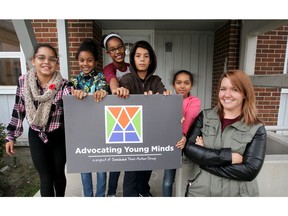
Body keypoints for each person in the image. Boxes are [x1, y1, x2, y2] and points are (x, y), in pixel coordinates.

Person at [183, 70, 266, 197]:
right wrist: (229, 157)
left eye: (234, 90)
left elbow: (250, 171)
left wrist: (204, 158)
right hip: (201, 193)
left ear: (245, 94)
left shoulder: (256, 128)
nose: (227, 95)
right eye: (223, 89)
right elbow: (188, 149)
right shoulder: (205, 117)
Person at [5, 43, 71, 197]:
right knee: (46, 177)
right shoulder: (23, 81)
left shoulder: (64, 85)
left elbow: (74, 103)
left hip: (58, 136)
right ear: (33, 60)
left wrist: (79, 95)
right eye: (41, 58)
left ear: (56, 63)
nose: (46, 62)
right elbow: (18, 108)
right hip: (36, 135)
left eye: (52, 59)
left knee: (59, 176)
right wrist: (11, 136)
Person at [119, 40, 170, 197]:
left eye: (146, 56)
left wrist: (164, 96)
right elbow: (122, 101)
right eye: (138, 56)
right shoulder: (127, 79)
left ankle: (144, 191)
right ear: (133, 59)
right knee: (132, 172)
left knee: (147, 167)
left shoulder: (156, 80)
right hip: (131, 134)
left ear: (151, 60)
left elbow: (162, 95)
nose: (142, 59)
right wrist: (122, 92)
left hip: (149, 134)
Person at [70, 38, 109, 197]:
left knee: (100, 166)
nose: (85, 63)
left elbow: (102, 89)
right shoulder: (74, 81)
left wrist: (101, 92)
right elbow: (67, 96)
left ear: (95, 61)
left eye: (89, 60)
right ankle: (88, 198)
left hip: (99, 129)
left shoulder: (100, 78)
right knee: (84, 165)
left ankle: (100, 197)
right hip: (80, 130)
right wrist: (74, 93)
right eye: (81, 60)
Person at [162, 70, 201, 197]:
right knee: (168, 180)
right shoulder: (168, 99)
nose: (182, 86)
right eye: (179, 83)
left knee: (186, 178)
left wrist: (183, 134)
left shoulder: (194, 101)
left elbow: (189, 118)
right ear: (173, 84)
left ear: (191, 85)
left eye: (186, 83)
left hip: (187, 142)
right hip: (172, 144)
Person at [101, 33, 130, 196]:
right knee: (117, 159)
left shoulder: (132, 67)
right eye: (112, 49)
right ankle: (111, 192)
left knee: (133, 159)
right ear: (108, 53)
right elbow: (112, 79)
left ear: (124, 47)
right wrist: (116, 90)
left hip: (133, 116)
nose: (117, 51)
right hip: (116, 118)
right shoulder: (109, 68)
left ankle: (134, 190)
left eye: (119, 47)